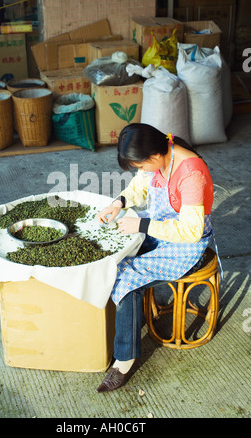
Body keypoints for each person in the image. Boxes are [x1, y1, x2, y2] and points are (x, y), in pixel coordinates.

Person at [96, 123, 215, 393]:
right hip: (160, 230)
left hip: (187, 246)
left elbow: (190, 230)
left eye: (140, 165)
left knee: (126, 277)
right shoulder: (163, 153)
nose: (140, 171)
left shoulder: (191, 174)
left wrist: (141, 225)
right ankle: (129, 319)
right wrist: (118, 203)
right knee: (113, 255)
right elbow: (139, 187)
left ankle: (124, 360)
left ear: (154, 156)